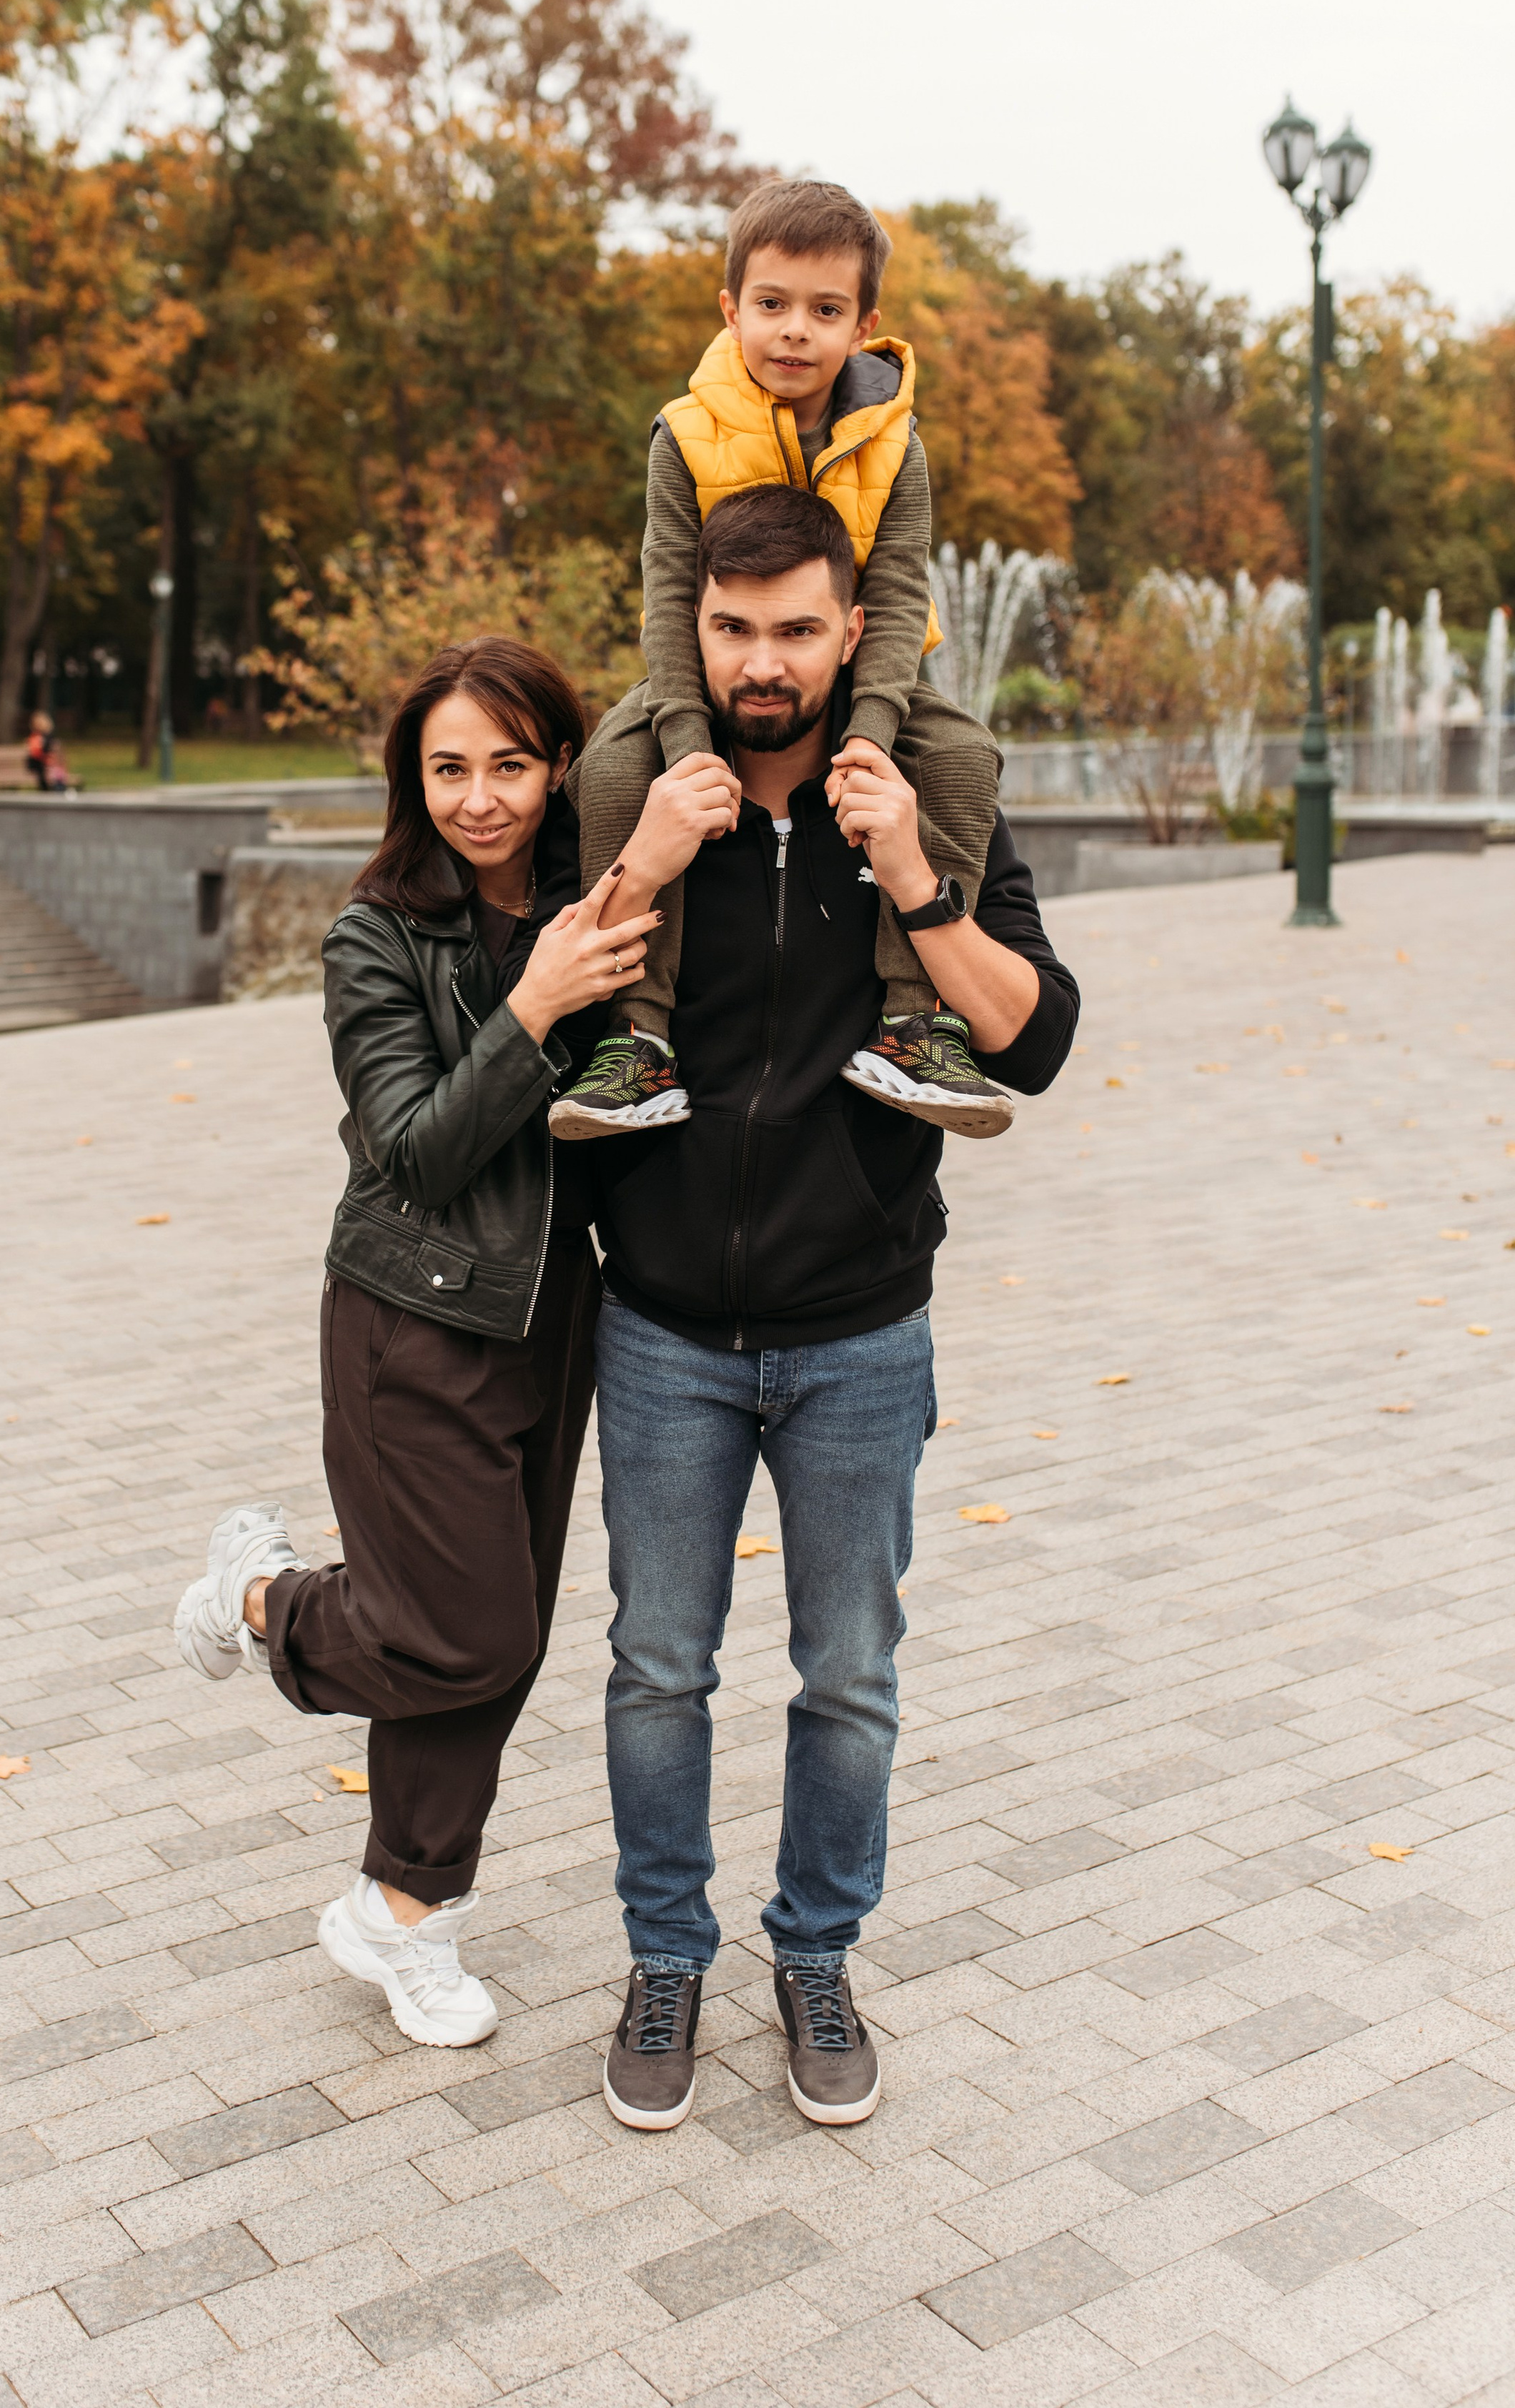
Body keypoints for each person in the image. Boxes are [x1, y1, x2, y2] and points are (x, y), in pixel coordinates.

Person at [562, 485, 1078, 2130]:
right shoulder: (649, 795)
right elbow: (548, 1023)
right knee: (656, 1665)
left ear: (851, 631)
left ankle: (813, 1955)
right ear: (693, 629)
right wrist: (646, 858)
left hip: (858, 1326)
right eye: (732, 629)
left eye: (795, 628)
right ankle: (663, 1957)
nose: (762, 661)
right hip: (660, 1328)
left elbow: (1032, 1037)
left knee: (848, 1670)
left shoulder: (918, 789)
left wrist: (910, 873)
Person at [173, 639, 660, 2048]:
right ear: (413, 778)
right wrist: (537, 1001)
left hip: (552, 1321)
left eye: (509, 764)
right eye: (449, 768)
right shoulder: (374, 936)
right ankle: (260, 1593)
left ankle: (404, 1913)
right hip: (413, 1318)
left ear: (559, 765)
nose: (480, 797)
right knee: (466, 1632)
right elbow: (419, 1147)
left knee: (493, 1647)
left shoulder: (596, 894)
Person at [552, 177, 1013, 1147]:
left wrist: (872, 737)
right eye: (772, 303)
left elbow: (898, 595)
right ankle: (635, 1033)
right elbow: (669, 598)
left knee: (964, 758)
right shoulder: (684, 434)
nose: (795, 330)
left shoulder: (896, 444)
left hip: (868, 671)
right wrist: (687, 744)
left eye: (825, 310)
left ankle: (916, 1018)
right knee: (613, 772)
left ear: (864, 324)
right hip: (706, 669)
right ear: (731, 309)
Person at [24, 713, 71, 792]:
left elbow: (53, 751)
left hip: (49, 764)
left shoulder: (48, 737)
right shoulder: (34, 737)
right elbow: (35, 753)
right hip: (39, 764)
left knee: (54, 772)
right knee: (45, 772)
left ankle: (56, 788)